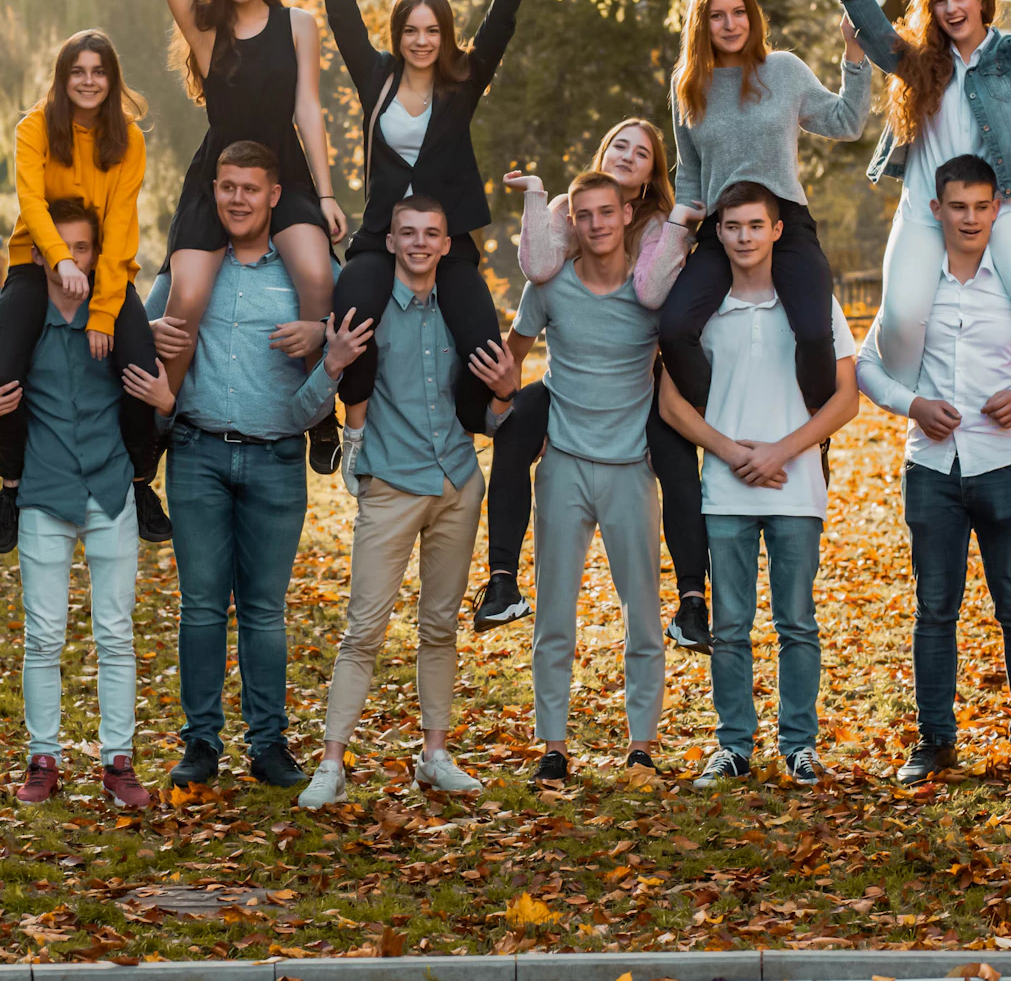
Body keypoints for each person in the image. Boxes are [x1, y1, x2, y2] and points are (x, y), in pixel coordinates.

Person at [82, 0, 346, 475]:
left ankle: (318, 416)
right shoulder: (205, 29)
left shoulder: (299, 24)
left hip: (283, 169)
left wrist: (329, 192)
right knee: (187, 299)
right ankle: (159, 421)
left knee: (315, 275)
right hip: (219, 173)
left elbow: (309, 108)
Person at [123, 141, 371, 791]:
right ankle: (199, 745)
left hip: (276, 460)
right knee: (202, 607)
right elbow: (140, 341)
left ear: (272, 196)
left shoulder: (303, 276)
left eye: (250, 188)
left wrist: (329, 359)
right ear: (216, 192)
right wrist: (146, 339)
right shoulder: (188, 270)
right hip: (199, 454)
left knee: (263, 610)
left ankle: (269, 747)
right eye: (227, 186)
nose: (237, 198)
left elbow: (331, 370)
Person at [311, 0, 558, 478]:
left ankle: (483, 427)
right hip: (382, 236)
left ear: (445, 34)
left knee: (480, 334)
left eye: (432, 30)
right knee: (353, 309)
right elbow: (342, 15)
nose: (422, 40)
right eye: (411, 30)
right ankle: (357, 433)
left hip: (449, 244)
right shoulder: (377, 80)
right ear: (398, 35)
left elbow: (499, 23)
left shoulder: (462, 82)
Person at [856, 155, 1011, 787]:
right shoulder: (913, 284)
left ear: (998, 209)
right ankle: (934, 741)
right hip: (931, 468)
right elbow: (866, 366)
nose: (970, 218)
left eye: (982, 207)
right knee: (934, 609)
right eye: (957, 206)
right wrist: (913, 405)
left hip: (1009, 466)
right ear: (936, 210)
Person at [296, 195, 520, 808]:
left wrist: (504, 396)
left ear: (447, 245)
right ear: (391, 242)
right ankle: (332, 765)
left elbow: (493, 418)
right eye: (408, 233)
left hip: (456, 483)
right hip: (391, 486)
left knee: (440, 627)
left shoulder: (459, 311)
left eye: (432, 233)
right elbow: (321, 400)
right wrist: (337, 382)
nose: (420, 242)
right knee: (363, 631)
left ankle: (435, 755)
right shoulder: (366, 310)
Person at [653, 182, 860, 787]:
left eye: (755, 225)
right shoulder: (703, 312)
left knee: (797, 621)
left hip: (796, 488)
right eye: (732, 226)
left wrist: (781, 452)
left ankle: (799, 745)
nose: (744, 236)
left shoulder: (812, 304)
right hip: (725, 487)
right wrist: (731, 452)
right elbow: (671, 402)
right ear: (718, 234)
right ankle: (734, 746)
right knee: (733, 625)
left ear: (776, 231)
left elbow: (847, 399)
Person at [475, 118, 709, 649]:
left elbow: (650, 293)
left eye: (642, 152)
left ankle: (693, 602)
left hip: (635, 380)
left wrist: (676, 223)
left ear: (650, 176)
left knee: (676, 459)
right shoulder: (567, 207)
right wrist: (540, 197)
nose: (628, 156)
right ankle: (502, 582)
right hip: (569, 375)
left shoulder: (655, 227)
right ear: (603, 153)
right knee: (513, 432)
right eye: (619, 145)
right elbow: (539, 269)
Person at [828, 0, 1011, 396]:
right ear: (931, 9)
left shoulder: (1009, 57)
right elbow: (875, 34)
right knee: (902, 318)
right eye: (940, 1)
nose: (952, 8)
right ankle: (914, 395)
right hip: (925, 211)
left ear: (982, 0)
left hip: (998, 207)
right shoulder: (918, 62)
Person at [0, 198, 152, 808]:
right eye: (60, 246)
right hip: (45, 493)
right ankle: (43, 758)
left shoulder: (118, 315)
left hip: (109, 488)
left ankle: (117, 760)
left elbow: (148, 402)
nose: (70, 258)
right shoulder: (24, 321)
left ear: (98, 254)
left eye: (82, 247)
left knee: (116, 634)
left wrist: (165, 402)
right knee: (44, 636)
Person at [500, 171, 667, 783]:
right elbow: (510, 358)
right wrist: (508, 414)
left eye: (607, 212)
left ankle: (642, 745)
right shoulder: (549, 288)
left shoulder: (652, 294)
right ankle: (553, 746)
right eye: (585, 215)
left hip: (630, 471)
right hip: (563, 465)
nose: (596, 224)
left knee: (642, 613)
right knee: (554, 614)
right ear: (573, 223)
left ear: (627, 215)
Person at [0, 31, 167, 553]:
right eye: (77, 72)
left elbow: (122, 225)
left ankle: (140, 483)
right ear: (63, 79)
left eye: (98, 71)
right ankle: (10, 487)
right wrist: (59, 262)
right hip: (35, 261)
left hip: (105, 267)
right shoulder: (34, 128)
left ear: (112, 80)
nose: (88, 81)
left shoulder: (129, 140)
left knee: (140, 368)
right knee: (7, 369)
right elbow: (31, 203)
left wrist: (104, 312)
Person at [659, 0, 871, 413]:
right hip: (721, 229)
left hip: (786, 221)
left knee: (815, 332)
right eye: (717, 15)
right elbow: (690, 173)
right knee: (675, 328)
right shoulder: (688, 84)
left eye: (738, 12)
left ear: (753, 17)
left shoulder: (783, 70)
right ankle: (721, 418)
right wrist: (677, 241)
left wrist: (854, 54)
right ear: (702, 23)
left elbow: (847, 123)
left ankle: (812, 431)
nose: (730, 24)